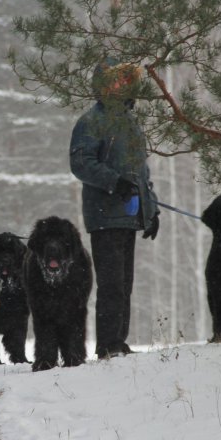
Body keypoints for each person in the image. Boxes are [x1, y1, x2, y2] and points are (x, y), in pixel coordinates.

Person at [69, 57, 161, 360]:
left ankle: (119, 342)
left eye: (125, 79)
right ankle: (107, 345)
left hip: (129, 215)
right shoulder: (91, 121)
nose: (122, 84)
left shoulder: (130, 121)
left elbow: (140, 172)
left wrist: (151, 210)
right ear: (102, 84)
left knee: (125, 285)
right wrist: (113, 182)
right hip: (104, 215)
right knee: (111, 285)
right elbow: (81, 163)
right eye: (115, 79)